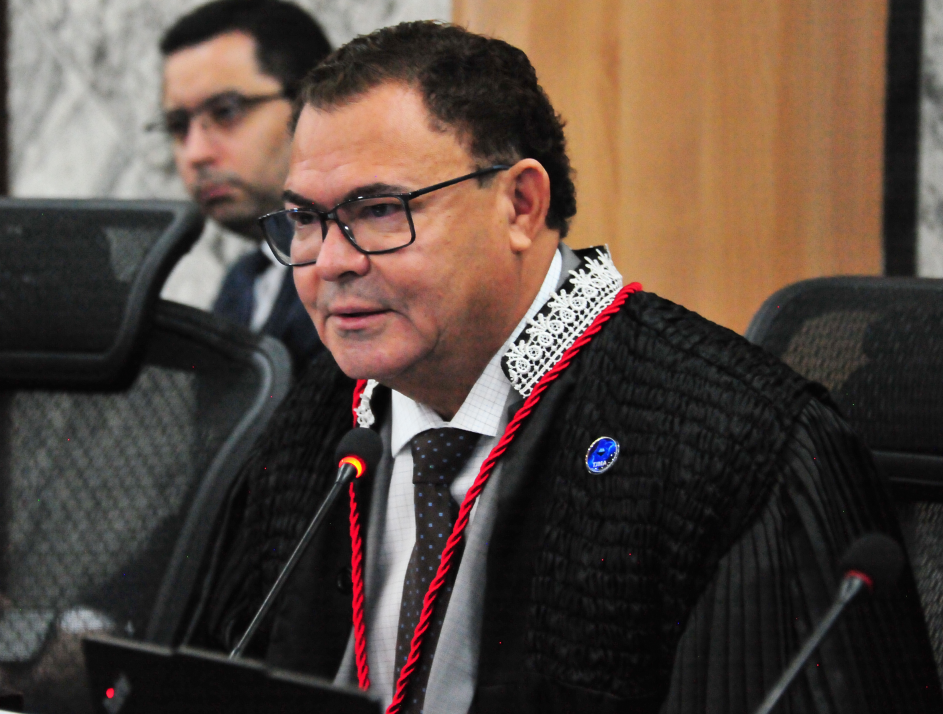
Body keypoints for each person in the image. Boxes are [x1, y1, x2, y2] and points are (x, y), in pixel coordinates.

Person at [190, 21, 943, 714]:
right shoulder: (315, 421)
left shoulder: (735, 443)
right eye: (306, 219)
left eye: (380, 210)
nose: (330, 262)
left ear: (520, 205)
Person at [155, 0, 330, 371]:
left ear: (311, 102)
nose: (195, 153)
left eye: (226, 111)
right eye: (178, 126)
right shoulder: (241, 284)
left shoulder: (358, 266)